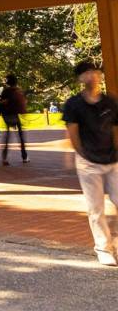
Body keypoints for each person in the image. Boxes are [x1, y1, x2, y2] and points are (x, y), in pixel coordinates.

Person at [62, 61, 118, 266]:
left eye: (95, 72)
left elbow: (115, 128)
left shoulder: (110, 102)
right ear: (80, 79)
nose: (92, 76)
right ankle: (103, 248)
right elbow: (73, 133)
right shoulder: (73, 104)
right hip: (88, 162)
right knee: (96, 208)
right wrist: (83, 155)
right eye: (86, 73)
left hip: (112, 160)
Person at [0, 75, 29, 165]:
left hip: (7, 116)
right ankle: (24, 157)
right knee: (21, 137)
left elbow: (2, 102)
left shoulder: (5, 91)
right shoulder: (18, 91)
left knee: (7, 137)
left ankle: (5, 158)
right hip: (16, 116)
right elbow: (23, 103)